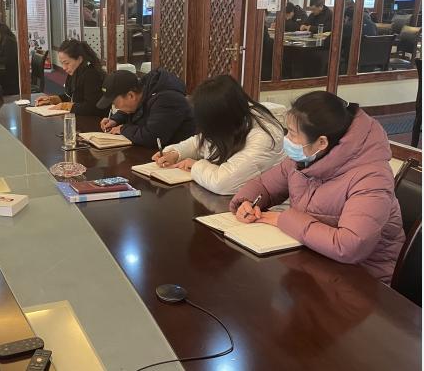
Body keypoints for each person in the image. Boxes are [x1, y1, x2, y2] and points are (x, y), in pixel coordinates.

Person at [230, 91, 405, 283]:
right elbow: (265, 185)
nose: (287, 139)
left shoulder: (372, 177)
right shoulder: (305, 158)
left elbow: (349, 246)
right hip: (315, 263)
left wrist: (284, 219)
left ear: (322, 142)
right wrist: (247, 202)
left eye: (292, 134)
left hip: (364, 281)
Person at [152, 75, 286, 195]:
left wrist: (195, 165)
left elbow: (222, 183)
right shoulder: (233, 117)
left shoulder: (263, 137)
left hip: (265, 208)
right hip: (235, 202)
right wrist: (176, 153)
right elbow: (201, 142)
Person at [96, 69, 194, 149]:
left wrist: (123, 129)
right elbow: (138, 109)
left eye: (115, 103)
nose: (116, 107)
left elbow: (153, 137)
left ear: (131, 95)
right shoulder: (143, 91)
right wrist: (115, 119)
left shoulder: (167, 99)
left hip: (179, 159)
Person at [35, 39, 106, 116]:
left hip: (93, 119)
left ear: (79, 59)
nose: (64, 68)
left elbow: (91, 107)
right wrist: (51, 100)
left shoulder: (92, 74)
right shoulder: (75, 71)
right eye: (62, 63)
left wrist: (65, 106)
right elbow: (71, 96)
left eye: (67, 63)